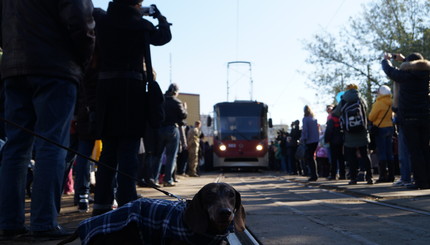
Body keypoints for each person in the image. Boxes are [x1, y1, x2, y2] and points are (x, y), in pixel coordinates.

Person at [0, 0, 95, 240]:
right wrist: (82, 61)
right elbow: (82, 21)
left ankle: (9, 222)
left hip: (14, 67)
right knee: (51, 145)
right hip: (55, 67)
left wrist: (12, 48)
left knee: (16, 147)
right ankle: (43, 223)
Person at [92, 0, 172, 216]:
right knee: (128, 151)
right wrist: (161, 18)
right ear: (137, 4)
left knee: (108, 152)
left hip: (106, 90)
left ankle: (101, 203)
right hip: (132, 92)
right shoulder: (142, 26)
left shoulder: (102, 22)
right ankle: (127, 202)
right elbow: (164, 37)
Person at [381, 52, 430, 189]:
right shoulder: (426, 75)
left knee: (415, 151)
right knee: (425, 148)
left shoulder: (405, 76)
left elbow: (390, 71)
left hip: (409, 117)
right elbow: (414, 65)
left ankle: (420, 182)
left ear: (409, 65)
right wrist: (404, 59)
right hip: (426, 116)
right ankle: (428, 179)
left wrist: (386, 60)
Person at [332, 83, 373, 185]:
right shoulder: (361, 99)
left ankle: (353, 178)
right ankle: (369, 177)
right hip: (362, 131)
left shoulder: (344, 100)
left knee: (351, 157)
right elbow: (366, 109)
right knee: (365, 155)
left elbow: (336, 113)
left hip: (349, 132)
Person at [152, 83, 187, 187]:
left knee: (158, 155)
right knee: (171, 156)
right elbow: (183, 115)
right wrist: (185, 108)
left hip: (160, 129)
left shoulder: (161, 100)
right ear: (175, 92)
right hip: (172, 129)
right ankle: (168, 179)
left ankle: (154, 179)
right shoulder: (177, 102)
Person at [368, 85, 394, 183]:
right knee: (389, 152)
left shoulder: (378, 103)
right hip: (390, 127)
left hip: (380, 128)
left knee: (382, 152)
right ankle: (391, 175)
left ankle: (383, 176)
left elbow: (371, 117)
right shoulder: (391, 102)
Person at [324, 105, 346, 180]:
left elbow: (329, 130)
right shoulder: (342, 117)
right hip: (342, 140)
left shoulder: (331, 118)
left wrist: (326, 140)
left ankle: (333, 174)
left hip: (333, 140)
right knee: (341, 158)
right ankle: (343, 174)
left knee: (334, 159)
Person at [301, 105, 320, 181]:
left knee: (309, 158)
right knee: (312, 157)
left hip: (309, 141)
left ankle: (313, 175)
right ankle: (315, 174)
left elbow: (305, 130)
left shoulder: (305, 119)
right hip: (315, 140)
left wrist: (303, 139)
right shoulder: (314, 119)